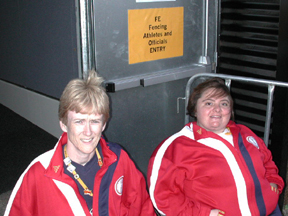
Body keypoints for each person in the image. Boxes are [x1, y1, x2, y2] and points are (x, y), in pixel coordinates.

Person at [5, 70, 156, 216]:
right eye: (79, 121)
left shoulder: (118, 159)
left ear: (104, 125)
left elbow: (142, 207)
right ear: (64, 124)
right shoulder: (39, 173)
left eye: (95, 121)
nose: (88, 131)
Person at [147, 78, 284, 216]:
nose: (217, 109)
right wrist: (202, 214)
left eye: (224, 104)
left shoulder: (245, 133)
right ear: (194, 109)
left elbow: (267, 161)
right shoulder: (176, 148)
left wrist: (273, 183)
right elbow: (163, 197)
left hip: (270, 212)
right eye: (209, 103)